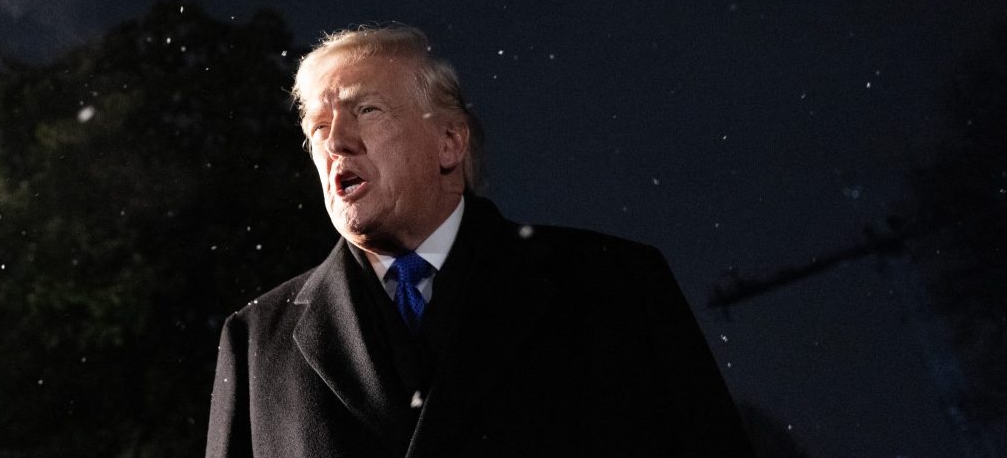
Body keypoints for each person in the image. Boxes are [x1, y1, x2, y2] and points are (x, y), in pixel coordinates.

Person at [205, 24, 753, 457]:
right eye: (318, 128)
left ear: (449, 142)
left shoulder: (616, 285)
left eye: (365, 109)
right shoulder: (256, 341)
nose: (336, 142)